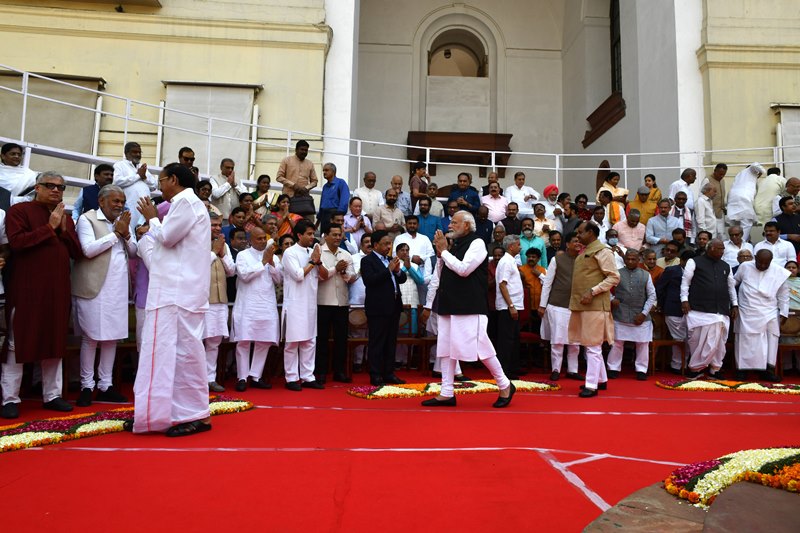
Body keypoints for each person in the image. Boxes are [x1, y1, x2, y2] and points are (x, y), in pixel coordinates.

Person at [130, 163, 211, 436]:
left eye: (161, 180)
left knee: (185, 356)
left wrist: (153, 219)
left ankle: (196, 415)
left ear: (173, 179)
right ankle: (153, 414)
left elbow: (166, 237)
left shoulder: (187, 201)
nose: (158, 186)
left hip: (181, 294)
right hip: (169, 292)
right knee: (160, 356)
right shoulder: (183, 203)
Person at [1, 172, 82, 419]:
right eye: (50, 186)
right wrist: (49, 228)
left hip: (57, 291)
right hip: (27, 290)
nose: (56, 190)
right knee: (18, 343)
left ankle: (53, 395)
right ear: (37, 187)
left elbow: (77, 253)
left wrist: (64, 230)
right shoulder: (21, 211)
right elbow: (17, 244)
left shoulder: (64, 217)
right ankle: (9, 398)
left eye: (61, 187)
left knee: (54, 343)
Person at [422, 212, 516, 408]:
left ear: (466, 225)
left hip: (470, 305)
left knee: (482, 347)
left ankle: (504, 384)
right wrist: (441, 254)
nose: (450, 225)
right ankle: (447, 392)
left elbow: (464, 270)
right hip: (450, 303)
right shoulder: (453, 245)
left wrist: (444, 252)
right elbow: (442, 274)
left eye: (455, 222)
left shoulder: (477, 243)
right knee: (447, 349)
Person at [72, 184, 135, 406]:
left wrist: (126, 234)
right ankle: (87, 386)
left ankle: (105, 385)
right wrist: (116, 233)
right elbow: (88, 250)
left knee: (111, 338)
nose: (120, 205)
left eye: (122, 201)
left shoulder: (124, 222)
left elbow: (134, 251)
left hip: (117, 289)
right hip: (94, 287)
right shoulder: (87, 219)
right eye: (115, 201)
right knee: (91, 337)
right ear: (101, 201)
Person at [569, 221, 620, 397]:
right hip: (583, 305)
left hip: (595, 305)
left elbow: (614, 277)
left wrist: (593, 291)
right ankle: (601, 380)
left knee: (592, 346)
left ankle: (591, 385)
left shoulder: (603, 251)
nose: (578, 236)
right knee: (590, 345)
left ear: (591, 233)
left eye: (581, 232)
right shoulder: (587, 250)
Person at [232, 226, 282, 390]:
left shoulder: (271, 255)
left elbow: (278, 279)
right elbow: (245, 276)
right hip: (247, 305)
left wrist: (272, 262)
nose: (262, 241)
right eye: (258, 239)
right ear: (250, 240)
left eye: (263, 238)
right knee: (244, 341)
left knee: (264, 341)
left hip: (266, 304)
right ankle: (242, 377)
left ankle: (256, 376)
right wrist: (262, 262)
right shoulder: (242, 255)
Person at [680, 239, 738, 380]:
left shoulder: (726, 266)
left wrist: (735, 304)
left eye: (723, 249)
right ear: (710, 248)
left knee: (718, 342)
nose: (722, 251)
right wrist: (684, 300)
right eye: (719, 249)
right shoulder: (694, 262)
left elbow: (731, 287)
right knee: (697, 341)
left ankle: (715, 368)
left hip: (721, 310)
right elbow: (685, 283)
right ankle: (695, 368)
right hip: (698, 310)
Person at [281, 220, 327, 391]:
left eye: (313, 233)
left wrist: (319, 262)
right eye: (308, 234)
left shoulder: (312, 252)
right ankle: (291, 377)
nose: (312, 237)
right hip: (294, 303)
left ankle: (308, 376)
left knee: (309, 341)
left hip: (310, 304)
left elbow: (324, 276)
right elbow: (298, 275)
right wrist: (313, 262)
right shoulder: (289, 253)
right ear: (299, 235)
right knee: (293, 342)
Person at [733, 249, 788, 382]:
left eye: (766, 263)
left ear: (771, 260)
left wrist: (783, 312)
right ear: (755, 258)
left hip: (769, 311)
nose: (762, 266)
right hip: (747, 309)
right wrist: (733, 303)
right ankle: (742, 370)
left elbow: (783, 294)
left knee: (770, 341)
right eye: (760, 263)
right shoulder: (745, 266)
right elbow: (733, 283)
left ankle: (767, 371)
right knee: (745, 341)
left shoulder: (779, 272)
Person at [361, 229, 407, 386]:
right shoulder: (367, 261)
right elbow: (370, 281)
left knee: (391, 342)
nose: (388, 246)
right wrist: (388, 270)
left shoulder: (390, 260)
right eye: (385, 244)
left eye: (390, 243)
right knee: (377, 342)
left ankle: (389, 373)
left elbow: (402, 279)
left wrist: (398, 271)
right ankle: (375, 374)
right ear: (375, 245)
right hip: (378, 308)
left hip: (393, 306)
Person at [539, 232, 583, 381]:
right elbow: (547, 283)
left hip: (577, 306)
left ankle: (573, 370)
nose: (578, 243)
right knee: (557, 340)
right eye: (575, 241)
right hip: (557, 304)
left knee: (575, 341)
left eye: (580, 241)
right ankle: (556, 369)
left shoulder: (585, 260)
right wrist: (542, 305)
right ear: (568, 244)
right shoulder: (556, 259)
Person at [607, 249, 656, 381]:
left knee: (642, 344)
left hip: (640, 316)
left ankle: (641, 370)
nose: (630, 261)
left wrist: (644, 313)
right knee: (617, 343)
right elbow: (606, 289)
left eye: (633, 259)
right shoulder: (617, 274)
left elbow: (652, 296)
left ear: (638, 260)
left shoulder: (645, 275)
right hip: (621, 314)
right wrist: (612, 299)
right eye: (628, 259)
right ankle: (613, 368)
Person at [315, 224, 355, 383]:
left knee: (341, 339)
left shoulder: (345, 254)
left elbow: (352, 278)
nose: (338, 237)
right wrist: (335, 268)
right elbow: (318, 277)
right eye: (335, 234)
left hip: (342, 303)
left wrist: (344, 272)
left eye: (340, 235)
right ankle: (321, 372)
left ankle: (339, 372)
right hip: (322, 301)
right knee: (322, 339)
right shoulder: (318, 252)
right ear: (326, 235)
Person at [203, 212, 236, 393]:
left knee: (214, 342)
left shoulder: (224, 246)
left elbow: (231, 271)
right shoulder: (196, 243)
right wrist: (213, 252)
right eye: (213, 225)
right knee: (197, 341)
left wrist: (222, 253)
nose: (216, 228)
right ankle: (195, 380)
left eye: (218, 225)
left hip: (220, 300)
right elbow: (196, 269)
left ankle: (210, 378)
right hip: (201, 300)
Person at [655, 250, 695, 373]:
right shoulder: (671, 271)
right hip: (673, 309)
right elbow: (660, 289)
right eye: (687, 262)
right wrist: (661, 305)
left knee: (690, 338)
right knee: (679, 338)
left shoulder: (697, 272)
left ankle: (686, 364)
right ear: (681, 261)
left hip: (691, 311)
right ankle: (677, 365)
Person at [494, 235, 524, 379]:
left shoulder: (510, 261)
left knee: (513, 338)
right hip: (508, 307)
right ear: (511, 246)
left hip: (513, 305)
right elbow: (502, 284)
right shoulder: (506, 261)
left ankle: (513, 367)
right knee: (506, 340)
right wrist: (511, 305)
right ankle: (504, 371)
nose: (520, 247)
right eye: (518, 245)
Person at [113, 141, 157, 234]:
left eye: (139, 152)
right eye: (134, 152)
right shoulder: (120, 165)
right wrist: (138, 176)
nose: (137, 154)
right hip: (130, 205)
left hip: (145, 207)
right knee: (131, 231)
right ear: (126, 153)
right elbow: (117, 182)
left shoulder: (142, 168)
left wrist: (144, 177)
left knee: (145, 232)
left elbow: (154, 185)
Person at [277, 140, 318, 220]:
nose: (304, 152)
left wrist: (306, 188)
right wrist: (293, 185)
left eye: (306, 150)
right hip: (289, 199)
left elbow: (315, 181)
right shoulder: (286, 160)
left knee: (307, 223)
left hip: (304, 199)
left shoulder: (310, 163)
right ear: (296, 150)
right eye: (302, 149)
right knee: (289, 223)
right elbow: (279, 177)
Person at [726, 163, 766, 242]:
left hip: (733, 198)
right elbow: (755, 165)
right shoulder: (750, 170)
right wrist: (761, 172)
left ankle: (736, 241)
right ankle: (741, 243)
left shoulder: (740, 175)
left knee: (736, 222)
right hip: (743, 198)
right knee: (747, 222)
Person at [318, 162, 350, 233]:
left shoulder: (341, 183)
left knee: (334, 236)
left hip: (334, 215)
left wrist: (338, 216)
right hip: (324, 216)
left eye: (326, 170)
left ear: (333, 172)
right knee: (324, 237)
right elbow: (322, 203)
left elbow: (344, 200)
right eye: (323, 170)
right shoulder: (325, 186)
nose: (324, 172)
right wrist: (318, 219)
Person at [699, 163, 728, 236]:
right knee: (712, 235)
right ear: (715, 171)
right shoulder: (707, 180)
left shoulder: (722, 181)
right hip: (710, 214)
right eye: (720, 174)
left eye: (723, 174)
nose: (722, 176)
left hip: (720, 213)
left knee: (721, 234)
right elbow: (702, 195)